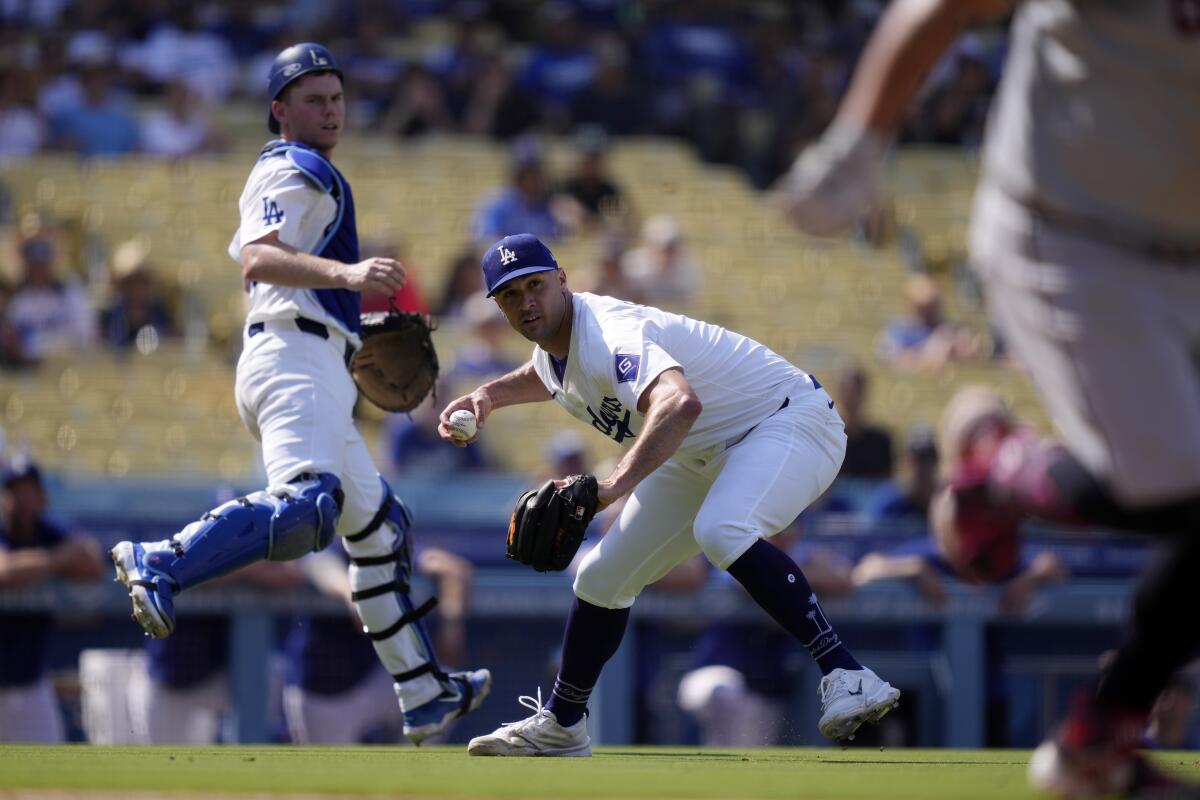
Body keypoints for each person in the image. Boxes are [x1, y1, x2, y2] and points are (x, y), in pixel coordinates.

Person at [777, 1, 1200, 795]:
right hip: (1076, 235)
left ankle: (1093, 741)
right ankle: (1005, 478)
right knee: (1185, 493)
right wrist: (859, 143)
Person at [108, 42, 490, 745]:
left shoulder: (311, 171)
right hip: (291, 356)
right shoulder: (292, 164)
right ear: (280, 110)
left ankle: (423, 690)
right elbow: (258, 256)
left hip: (314, 357)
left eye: (337, 97)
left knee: (379, 529)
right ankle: (161, 559)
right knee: (307, 507)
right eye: (313, 99)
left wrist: (357, 319)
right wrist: (347, 282)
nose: (331, 110)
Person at [439, 233, 900, 756]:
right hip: (703, 451)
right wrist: (487, 396)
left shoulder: (611, 332)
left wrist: (612, 488)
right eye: (510, 295)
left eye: (535, 286)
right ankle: (563, 723)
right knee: (601, 576)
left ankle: (847, 672)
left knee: (722, 529)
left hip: (788, 421)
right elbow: (546, 376)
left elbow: (680, 404)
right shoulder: (557, 348)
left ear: (562, 279)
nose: (526, 302)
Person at [0, 455, 105, 742]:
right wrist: (56, 561)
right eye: (14, 491)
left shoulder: (47, 531)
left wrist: (38, 565)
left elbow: (92, 559)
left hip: (30, 682)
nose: (21, 500)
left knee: (51, 757)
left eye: (28, 491)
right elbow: (5, 570)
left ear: (41, 497)